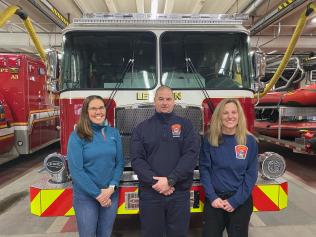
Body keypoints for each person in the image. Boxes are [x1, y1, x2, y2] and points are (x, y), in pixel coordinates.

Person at [130, 85, 200, 237]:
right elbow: (137, 159)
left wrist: (171, 180)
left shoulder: (186, 126)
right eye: (160, 99)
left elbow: (190, 156)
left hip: (179, 193)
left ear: (174, 102)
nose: (164, 102)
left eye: (168, 99)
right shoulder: (141, 128)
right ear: (154, 101)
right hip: (151, 194)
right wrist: (156, 182)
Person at [199, 98, 258, 237]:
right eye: (225, 113)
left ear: (239, 116)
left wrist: (235, 201)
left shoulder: (250, 141)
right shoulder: (209, 139)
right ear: (219, 116)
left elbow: (251, 175)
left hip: (240, 202)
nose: (230, 116)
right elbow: (205, 170)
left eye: (234, 112)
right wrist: (212, 197)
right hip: (215, 202)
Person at [67, 95, 124, 237]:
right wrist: (98, 195)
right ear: (86, 112)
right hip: (86, 196)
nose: (98, 112)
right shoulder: (77, 136)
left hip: (110, 194)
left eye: (101, 108)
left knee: (105, 234)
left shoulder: (114, 133)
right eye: (93, 108)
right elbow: (76, 171)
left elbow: (119, 163)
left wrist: (111, 187)